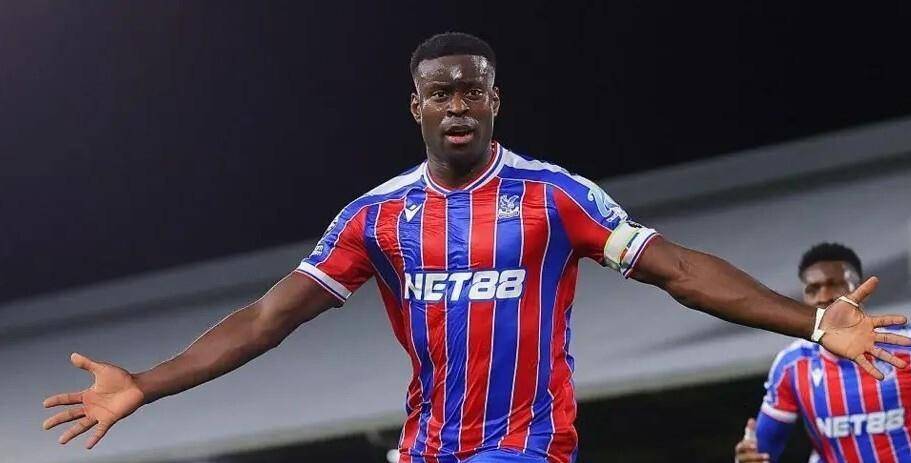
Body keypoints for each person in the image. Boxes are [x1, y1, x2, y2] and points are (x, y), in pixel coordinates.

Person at [42, 32, 911, 463]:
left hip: (526, 444)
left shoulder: (553, 196)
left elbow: (679, 271)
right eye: (440, 93)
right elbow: (267, 319)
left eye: (472, 91)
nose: (456, 104)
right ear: (415, 107)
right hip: (426, 446)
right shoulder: (375, 218)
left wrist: (808, 322)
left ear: (494, 102)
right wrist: (147, 383)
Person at [734, 243, 911, 463]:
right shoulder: (792, 365)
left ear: (861, 291)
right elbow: (764, 451)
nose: (824, 296)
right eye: (813, 289)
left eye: (836, 285)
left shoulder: (906, 346)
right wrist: (749, 458)